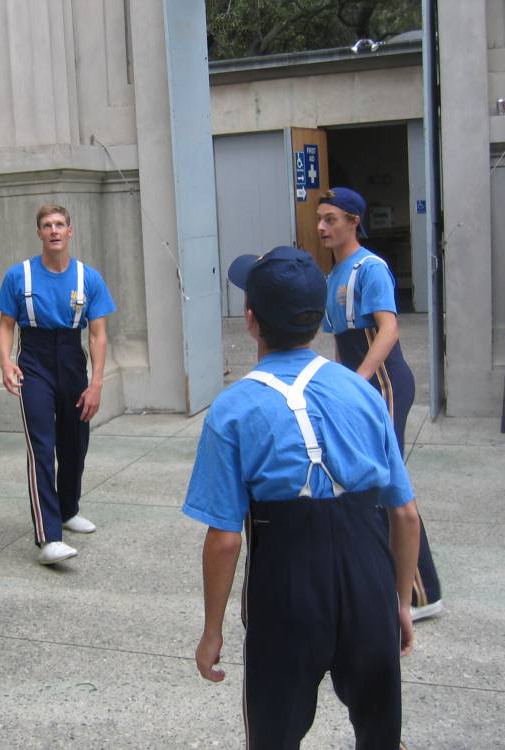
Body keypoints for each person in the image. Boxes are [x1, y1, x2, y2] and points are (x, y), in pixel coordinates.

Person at [184, 246, 421, 749]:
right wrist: (399, 602)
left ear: (251, 321)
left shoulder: (232, 409)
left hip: (286, 583)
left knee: (275, 730)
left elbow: (225, 539)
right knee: (381, 732)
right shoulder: (362, 393)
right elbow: (404, 512)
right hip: (368, 576)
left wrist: (212, 630)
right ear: (320, 318)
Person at [318, 187, 443, 622]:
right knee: (372, 485)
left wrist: (359, 382)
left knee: (386, 484)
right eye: (320, 219)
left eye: (331, 219)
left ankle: (421, 595)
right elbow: (338, 338)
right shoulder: (334, 274)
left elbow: (389, 331)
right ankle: (394, 586)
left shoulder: (371, 268)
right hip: (361, 380)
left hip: (384, 382)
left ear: (354, 220)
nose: (321, 227)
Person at [0, 204, 116, 565]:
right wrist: (5, 362)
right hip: (34, 360)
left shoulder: (88, 278)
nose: (54, 231)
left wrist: (96, 384)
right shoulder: (19, 276)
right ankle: (49, 537)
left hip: (72, 358)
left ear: (70, 231)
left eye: (60, 224)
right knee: (42, 447)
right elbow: (5, 327)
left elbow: (98, 335)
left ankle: (68, 509)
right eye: (47, 225)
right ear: (39, 233)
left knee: (75, 443)